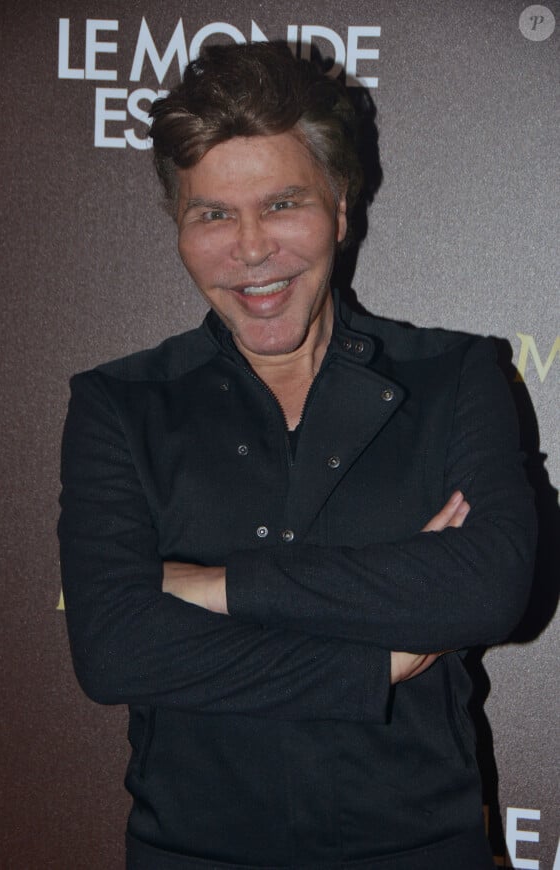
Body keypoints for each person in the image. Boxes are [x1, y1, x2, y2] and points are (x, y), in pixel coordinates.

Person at [58, 41, 536, 870]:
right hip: (191, 854)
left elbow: (488, 587)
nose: (249, 250)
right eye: (212, 214)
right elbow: (114, 648)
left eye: (282, 203)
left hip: (419, 851)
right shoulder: (119, 403)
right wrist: (372, 664)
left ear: (341, 210)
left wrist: (216, 586)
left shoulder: (455, 375)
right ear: (180, 228)